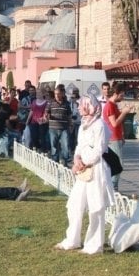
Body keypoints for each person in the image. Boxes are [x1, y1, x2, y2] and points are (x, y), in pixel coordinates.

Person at [55, 94, 116, 254]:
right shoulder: (83, 125)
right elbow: (80, 145)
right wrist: (76, 159)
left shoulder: (100, 125)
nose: (80, 108)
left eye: (82, 105)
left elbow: (99, 149)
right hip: (83, 169)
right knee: (74, 205)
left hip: (96, 169)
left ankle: (94, 245)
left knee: (96, 207)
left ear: (91, 106)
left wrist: (85, 163)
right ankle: (72, 240)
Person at [102, 82, 130, 191]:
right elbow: (114, 123)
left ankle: (112, 185)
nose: (122, 98)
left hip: (116, 137)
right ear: (116, 94)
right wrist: (125, 113)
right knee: (118, 164)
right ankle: (113, 186)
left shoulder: (114, 105)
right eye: (122, 95)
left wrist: (122, 135)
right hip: (112, 138)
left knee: (116, 163)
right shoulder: (109, 106)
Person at [47, 86, 72, 166]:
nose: (56, 95)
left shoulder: (67, 104)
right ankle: (55, 163)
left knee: (65, 145)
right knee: (54, 146)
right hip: (53, 128)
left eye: (58, 94)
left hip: (64, 128)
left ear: (62, 94)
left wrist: (70, 125)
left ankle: (65, 163)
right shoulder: (50, 102)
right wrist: (46, 116)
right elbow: (47, 112)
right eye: (55, 94)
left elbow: (69, 116)